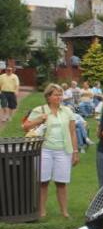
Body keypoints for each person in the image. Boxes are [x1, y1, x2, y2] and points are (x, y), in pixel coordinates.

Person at [22, 84, 80, 219]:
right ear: (48, 97)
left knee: (61, 182)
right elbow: (25, 127)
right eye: (56, 94)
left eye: (61, 94)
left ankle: (64, 212)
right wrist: (38, 119)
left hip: (63, 151)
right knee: (43, 182)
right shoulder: (39, 110)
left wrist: (75, 151)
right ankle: (42, 212)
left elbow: (72, 133)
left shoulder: (67, 111)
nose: (59, 97)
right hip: (44, 150)